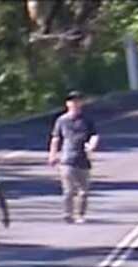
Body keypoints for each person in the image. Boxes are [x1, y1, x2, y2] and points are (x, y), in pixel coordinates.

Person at [48, 90, 99, 224]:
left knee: (84, 192)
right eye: (72, 101)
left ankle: (80, 214)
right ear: (67, 104)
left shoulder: (87, 120)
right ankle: (67, 214)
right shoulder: (62, 120)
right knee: (69, 191)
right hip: (67, 160)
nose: (75, 104)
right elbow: (56, 138)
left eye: (77, 101)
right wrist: (53, 155)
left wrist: (92, 144)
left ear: (81, 103)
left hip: (83, 159)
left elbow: (94, 135)